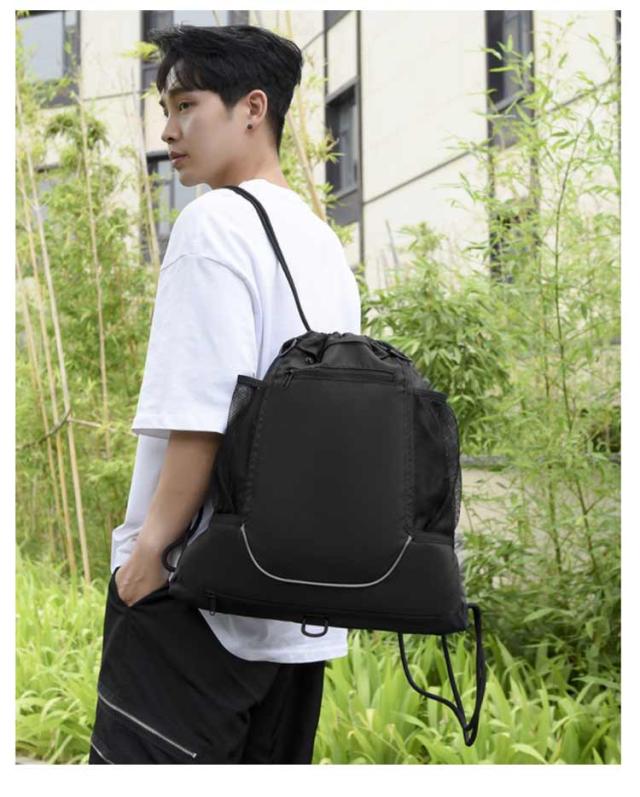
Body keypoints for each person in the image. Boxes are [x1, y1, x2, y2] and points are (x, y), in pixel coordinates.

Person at [88, 23, 361, 765]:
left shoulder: (213, 223)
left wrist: (148, 555)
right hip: (300, 607)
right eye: (165, 110)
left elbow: (202, 417)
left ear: (252, 108)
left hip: (197, 594)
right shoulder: (323, 242)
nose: (169, 131)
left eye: (187, 106)